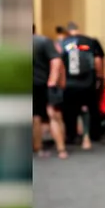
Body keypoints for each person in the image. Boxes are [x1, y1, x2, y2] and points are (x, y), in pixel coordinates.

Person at [57, 21, 105, 151]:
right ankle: (89, 136)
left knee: (69, 111)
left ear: (68, 31)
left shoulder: (63, 43)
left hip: (69, 83)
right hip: (87, 82)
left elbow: (59, 63)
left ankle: (72, 135)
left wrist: (60, 81)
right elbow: (98, 61)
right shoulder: (91, 41)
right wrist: (100, 79)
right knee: (88, 109)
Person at [34, 26, 68, 160]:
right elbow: (57, 61)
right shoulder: (44, 41)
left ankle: (38, 147)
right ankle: (61, 149)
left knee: (36, 116)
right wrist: (54, 82)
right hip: (45, 84)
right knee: (53, 115)